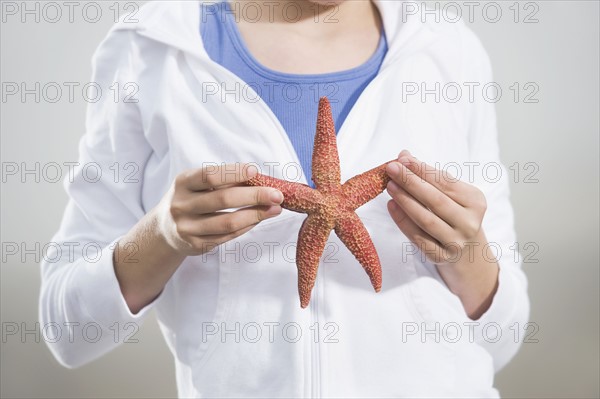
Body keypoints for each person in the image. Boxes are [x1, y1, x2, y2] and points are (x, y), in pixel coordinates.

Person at [40, 0, 529, 397]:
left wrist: (468, 255)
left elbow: (503, 339)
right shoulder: (152, 48)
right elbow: (67, 332)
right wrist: (162, 235)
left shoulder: (446, 50)